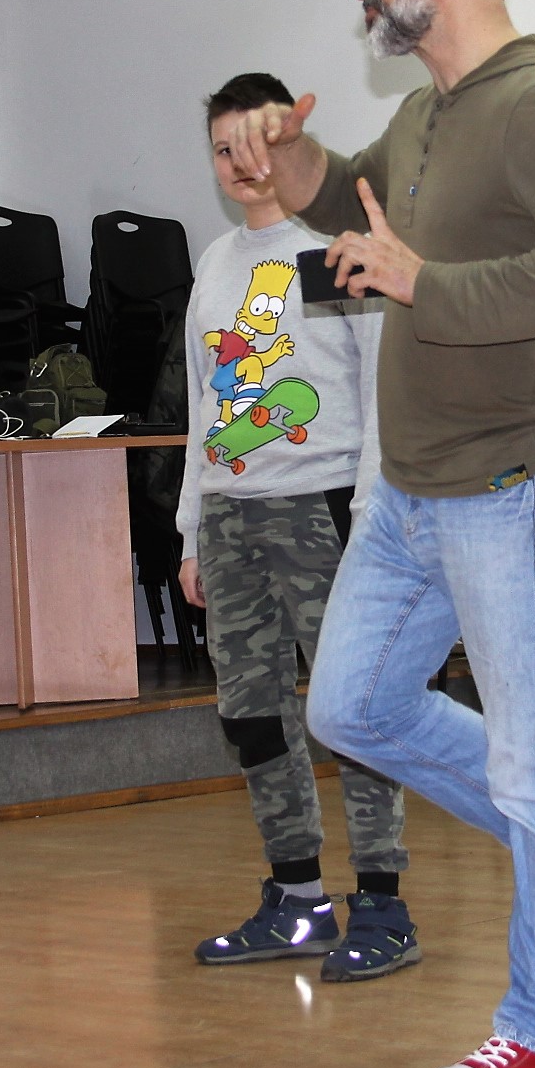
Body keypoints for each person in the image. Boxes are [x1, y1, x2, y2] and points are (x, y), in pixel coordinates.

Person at [217, 0, 535, 1068]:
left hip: (516, 480)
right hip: (414, 491)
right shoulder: (423, 112)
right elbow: (346, 185)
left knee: (534, 762)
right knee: (350, 704)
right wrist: (290, 160)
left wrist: (427, 283)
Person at [178, 72, 420, 982]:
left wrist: (371, 515)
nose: (239, 163)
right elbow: (205, 404)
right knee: (251, 714)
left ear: (285, 143)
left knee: (351, 709)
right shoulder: (213, 264)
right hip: (230, 516)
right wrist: (191, 530)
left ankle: (382, 905)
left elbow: (381, 389)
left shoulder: (334, 248)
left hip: (324, 506)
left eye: (252, 142)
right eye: (222, 149)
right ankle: (296, 900)